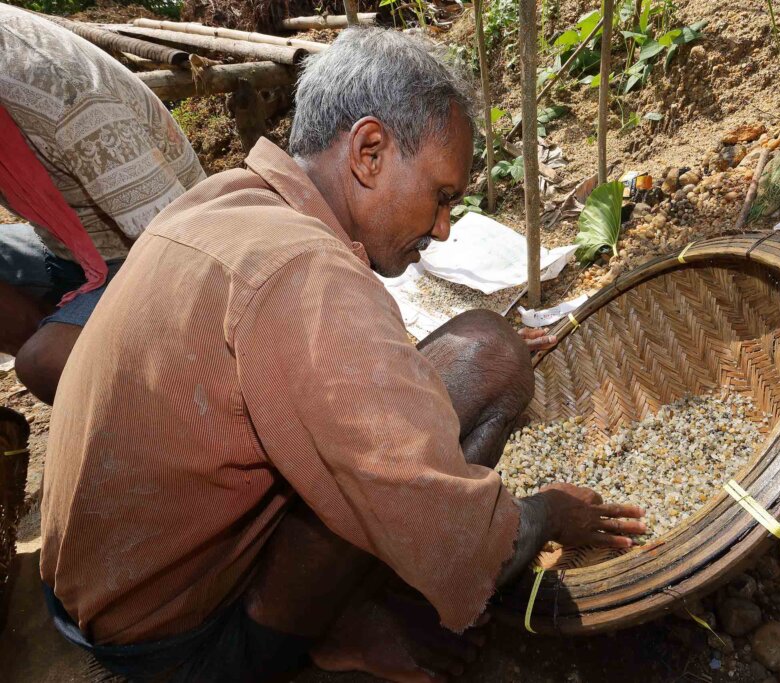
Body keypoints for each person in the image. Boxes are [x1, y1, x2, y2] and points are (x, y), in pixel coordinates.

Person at [40, 27, 646, 683]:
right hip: (177, 648)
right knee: (461, 401)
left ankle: (340, 612)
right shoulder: (307, 273)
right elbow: (458, 539)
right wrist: (549, 513)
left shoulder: (223, 202)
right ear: (369, 152)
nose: (443, 228)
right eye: (441, 196)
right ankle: (339, 624)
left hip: (89, 595)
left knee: (488, 346)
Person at [0, 4, 205, 405]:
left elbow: (185, 254)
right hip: (69, 247)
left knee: (44, 362)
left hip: (145, 251)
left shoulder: (62, 92)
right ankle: (84, 350)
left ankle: (142, 408)